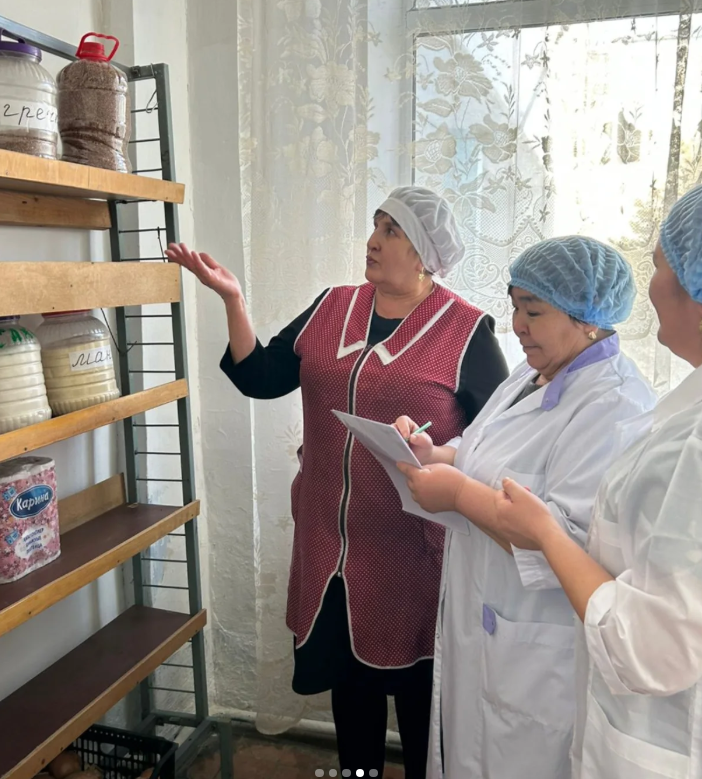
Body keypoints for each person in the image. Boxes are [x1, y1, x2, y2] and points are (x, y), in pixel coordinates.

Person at [165, 186, 509, 778]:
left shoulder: (466, 331)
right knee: (352, 692)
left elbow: (498, 441)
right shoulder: (332, 306)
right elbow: (261, 376)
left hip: (413, 554)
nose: (373, 241)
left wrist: (441, 459)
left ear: (425, 255)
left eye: (392, 231)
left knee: (422, 705)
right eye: (375, 225)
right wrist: (233, 299)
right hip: (329, 542)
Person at [491, 174, 702, 779]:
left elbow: (653, 650)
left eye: (661, 264)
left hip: (685, 743)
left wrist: (546, 534)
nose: (650, 285)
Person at [395, 236, 657, 779]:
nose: (517, 325)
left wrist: (459, 494)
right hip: (484, 622)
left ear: (587, 318)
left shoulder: (614, 406)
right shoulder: (533, 372)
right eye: (515, 307)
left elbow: (568, 544)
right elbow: (488, 455)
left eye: (533, 312)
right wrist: (436, 453)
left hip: (538, 650)